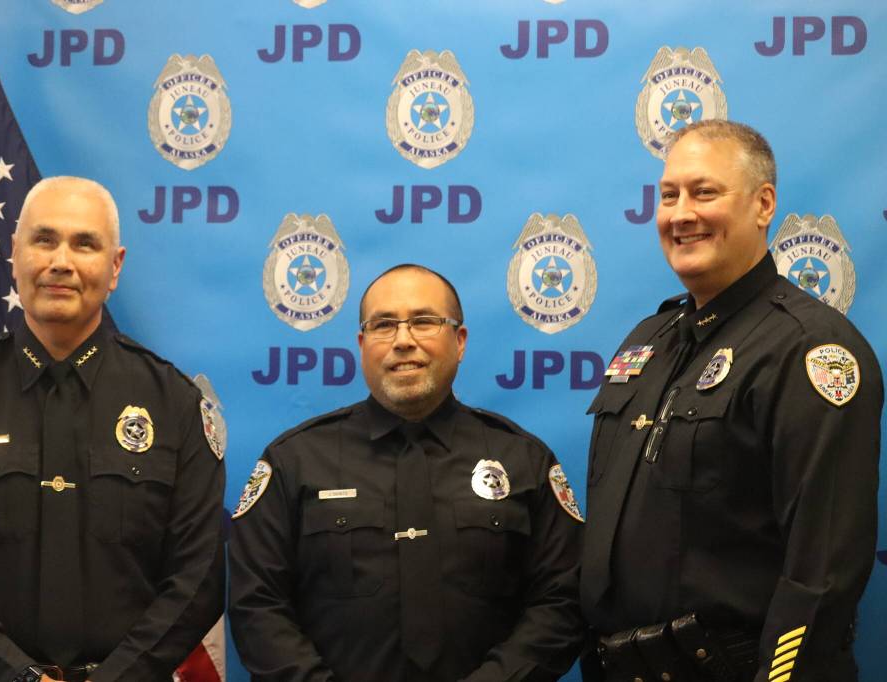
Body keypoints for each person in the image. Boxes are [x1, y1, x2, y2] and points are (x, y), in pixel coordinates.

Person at [580, 121, 882, 681]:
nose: (680, 213)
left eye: (705, 192)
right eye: (668, 195)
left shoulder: (809, 347)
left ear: (763, 204)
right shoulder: (649, 338)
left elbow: (822, 572)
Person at [0, 176, 226, 682]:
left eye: (84, 244)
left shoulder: (175, 406)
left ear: (114, 267)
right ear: (14, 254)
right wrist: (19, 677)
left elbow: (197, 581)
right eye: (44, 240)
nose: (61, 262)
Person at [229, 264, 584, 681]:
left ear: (460, 340)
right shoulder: (294, 461)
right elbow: (258, 606)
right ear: (362, 344)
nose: (403, 340)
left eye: (424, 322)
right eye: (383, 325)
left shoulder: (523, 460)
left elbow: (561, 601)